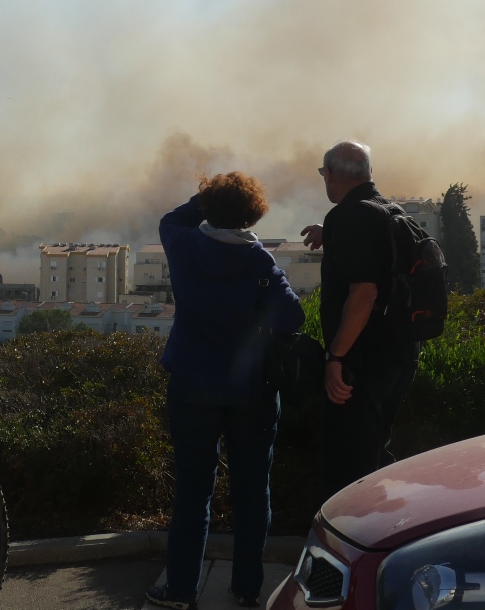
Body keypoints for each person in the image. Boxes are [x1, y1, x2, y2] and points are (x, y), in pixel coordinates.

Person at [147, 173, 303, 610]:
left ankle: (179, 590)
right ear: (254, 213)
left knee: (194, 491)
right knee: (253, 491)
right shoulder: (260, 262)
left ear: (207, 207)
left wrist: (206, 201)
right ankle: (247, 588)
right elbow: (292, 318)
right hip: (252, 391)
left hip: (192, 385)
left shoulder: (182, 245)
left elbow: (170, 218)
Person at [300, 140, 421, 496]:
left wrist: (335, 358)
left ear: (333, 174)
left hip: (363, 362)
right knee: (376, 458)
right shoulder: (389, 210)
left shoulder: (350, 216)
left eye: (325, 174)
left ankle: (352, 546)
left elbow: (364, 294)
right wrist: (332, 237)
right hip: (400, 354)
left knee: (349, 472)